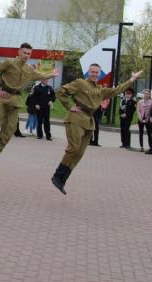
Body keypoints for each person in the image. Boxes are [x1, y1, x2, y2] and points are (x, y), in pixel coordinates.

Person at [50, 64, 141, 195]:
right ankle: (57, 175)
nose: (94, 74)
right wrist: (69, 106)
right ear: (88, 72)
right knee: (74, 149)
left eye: (96, 72)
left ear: (100, 74)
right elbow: (61, 91)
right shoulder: (80, 83)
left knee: (79, 153)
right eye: (92, 72)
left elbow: (117, 90)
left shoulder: (101, 90)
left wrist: (132, 79)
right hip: (76, 118)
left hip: (89, 121)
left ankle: (62, 180)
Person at [0, 43, 58, 183]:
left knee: (7, 134)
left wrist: (52, 74)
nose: (26, 56)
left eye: (29, 54)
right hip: (2, 99)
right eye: (24, 53)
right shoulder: (9, 62)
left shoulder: (29, 70)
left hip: (15, 102)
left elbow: (40, 75)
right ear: (19, 52)